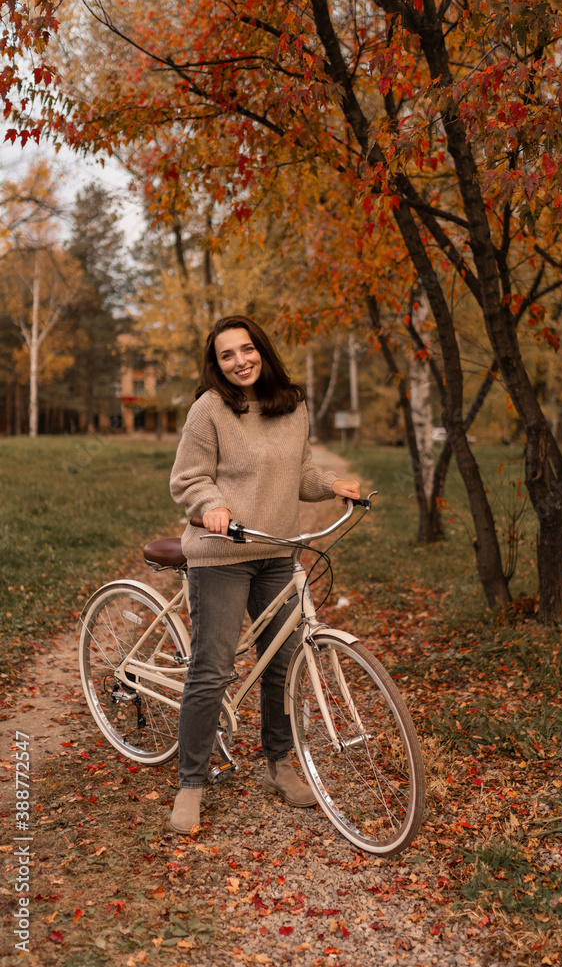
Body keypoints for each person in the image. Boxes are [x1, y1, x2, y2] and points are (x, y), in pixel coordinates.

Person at [168, 315, 361, 834]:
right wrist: (210, 505)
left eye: (247, 350)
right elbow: (189, 478)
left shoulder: (291, 404)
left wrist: (335, 484)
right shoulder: (209, 409)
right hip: (221, 553)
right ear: (217, 364)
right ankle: (191, 781)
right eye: (227, 355)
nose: (239, 362)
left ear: (263, 351)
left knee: (283, 661)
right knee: (212, 669)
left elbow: (299, 473)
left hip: (278, 551)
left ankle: (279, 764)